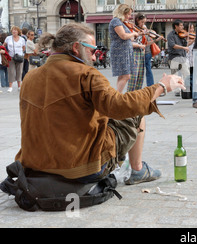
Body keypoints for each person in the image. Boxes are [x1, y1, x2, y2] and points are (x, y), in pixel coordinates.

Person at [8, 23, 184, 185]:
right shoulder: (86, 74)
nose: (94, 56)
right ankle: (137, 169)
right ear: (77, 48)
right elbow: (121, 106)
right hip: (79, 167)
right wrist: (162, 86)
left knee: (104, 115)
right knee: (137, 110)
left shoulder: (30, 77)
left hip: (35, 165)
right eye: (92, 49)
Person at [109, 4, 139, 93]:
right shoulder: (116, 21)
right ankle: (117, 95)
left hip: (124, 50)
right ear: (122, 13)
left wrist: (134, 35)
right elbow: (123, 36)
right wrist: (133, 34)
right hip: (120, 50)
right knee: (126, 75)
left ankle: (117, 94)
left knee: (123, 75)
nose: (129, 17)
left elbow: (129, 37)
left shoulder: (120, 22)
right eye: (128, 14)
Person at [167, 19, 190, 96]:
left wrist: (187, 39)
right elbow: (173, 45)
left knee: (186, 73)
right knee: (175, 75)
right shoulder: (170, 35)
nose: (182, 27)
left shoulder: (182, 34)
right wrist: (184, 48)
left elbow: (186, 44)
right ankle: (177, 91)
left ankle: (187, 89)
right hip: (174, 57)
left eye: (182, 25)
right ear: (176, 26)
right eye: (181, 25)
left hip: (182, 56)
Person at [127, 13, 147, 92]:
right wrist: (139, 45)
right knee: (133, 76)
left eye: (144, 22)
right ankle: (129, 95)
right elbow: (129, 42)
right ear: (137, 20)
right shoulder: (131, 29)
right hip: (134, 52)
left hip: (141, 53)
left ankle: (137, 95)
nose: (143, 24)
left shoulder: (142, 29)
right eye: (142, 22)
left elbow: (144, 42)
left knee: (140, 76)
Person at [4, 26, 26, 93]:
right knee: (11, 71)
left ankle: (19, 86)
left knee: (19, 71)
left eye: (15, 30)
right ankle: (10, 87)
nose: (14, 31)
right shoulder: (8, 38)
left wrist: (20, 53)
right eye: (13, 30)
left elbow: (24, 48)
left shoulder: (22, 39)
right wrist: (6, 52)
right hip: (11, 57)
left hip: (19, 57)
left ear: (18, 32)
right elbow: (4, 45)